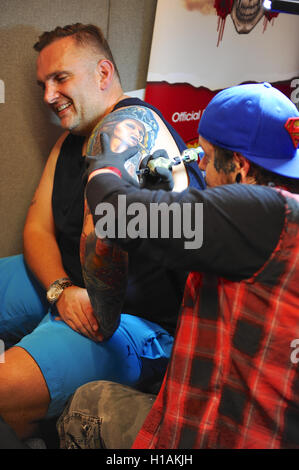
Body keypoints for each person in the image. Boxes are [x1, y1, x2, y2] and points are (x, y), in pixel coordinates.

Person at [57, 82, 299, 449]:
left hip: (222, 435)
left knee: (83, 408)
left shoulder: (262, 216)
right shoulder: (282, 216)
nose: (199, 163)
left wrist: (107, 164)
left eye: (207, 155)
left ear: (239, 166)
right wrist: (162, 198)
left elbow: (113, 214)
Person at [0, 23, 205, 440]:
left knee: (5, 387)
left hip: (136, 319)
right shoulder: (67, 142)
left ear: (103, 73)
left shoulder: (132, 127)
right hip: (69, 285)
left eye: (61, 78)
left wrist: (82, 311)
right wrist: (60, 289)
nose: (47, 95)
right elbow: (37, 226)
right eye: (43, 83)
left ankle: (33, 420)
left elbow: (106, 244)